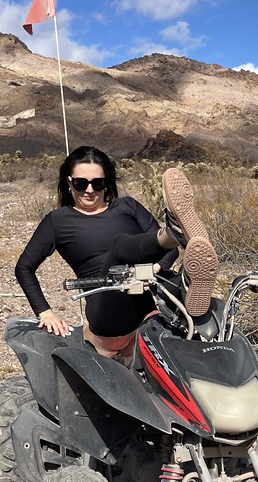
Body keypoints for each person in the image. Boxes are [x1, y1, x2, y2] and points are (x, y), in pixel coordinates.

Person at [15, 145, 218, 360]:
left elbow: (169, 254)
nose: (89, 190)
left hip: (150, 294)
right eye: (81, 183)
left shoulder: (127, 207)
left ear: (106, 183)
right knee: (120, 248)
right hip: (107, 307)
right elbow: (24, 267)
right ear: (69, 183)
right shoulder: (57, 221)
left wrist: (156, 268)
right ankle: (172, 233)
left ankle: (188, 286)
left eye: (97, 183)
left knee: (181, 286)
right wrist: (45, 312)